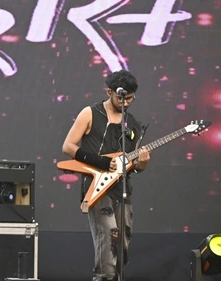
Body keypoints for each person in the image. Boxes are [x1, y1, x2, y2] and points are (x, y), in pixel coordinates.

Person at [62, 69, 151, 281]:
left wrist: (142, 163)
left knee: (123, 239)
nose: (125, 102)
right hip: (97, 185)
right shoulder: (90, 113)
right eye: (121, 98)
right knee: (109, 234)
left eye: (130, 98)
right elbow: (68, 146)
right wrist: (100, 161)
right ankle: (104, 277)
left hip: (122, 187)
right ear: (109, 92)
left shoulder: (134, 124)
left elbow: (134, 166)